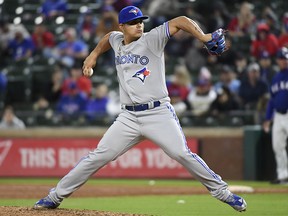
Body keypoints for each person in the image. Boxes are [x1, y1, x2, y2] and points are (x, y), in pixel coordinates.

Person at [33, 6, 247, 212]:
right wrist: (93, 55)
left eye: (140, 21)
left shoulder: (152, 39)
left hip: (158, 113)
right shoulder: (117, 40)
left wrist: (203, 37)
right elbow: (108, 37)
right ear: (122, 27)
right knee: (97, 157)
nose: (139, 26)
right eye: (133, 23)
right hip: (128, 117)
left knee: (182, 154)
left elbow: (180, 21)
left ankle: (222, 192)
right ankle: (54, 197)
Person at [263, 47, 288, 185]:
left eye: (286, 59)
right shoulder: (276, 78)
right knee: (277, 145)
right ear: (278, 60)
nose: (285, 61)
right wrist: (268, 118)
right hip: (278, 115)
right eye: (282, 59)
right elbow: (272, 101)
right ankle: (283, 176)